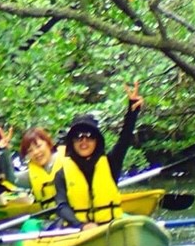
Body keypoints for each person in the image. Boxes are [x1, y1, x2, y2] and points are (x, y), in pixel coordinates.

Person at [52, 84, 144, 228]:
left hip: (110, 225)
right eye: (78, 137)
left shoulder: (111, 162)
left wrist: (132, 113)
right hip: (78, 229)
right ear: (71, 142)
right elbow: (62, 206)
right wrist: (81, 225)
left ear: (97, 140)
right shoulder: (61, 174)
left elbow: (125, 139)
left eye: (89, 136)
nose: (84, 141)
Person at [18, 126, 61, 204]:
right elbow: (11, 178)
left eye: (38, 146)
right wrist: (4, 151)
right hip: (46, 215)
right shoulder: (29, 175)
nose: (36, 152)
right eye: (30, 151)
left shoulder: (67, 160)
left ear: (48, 143)